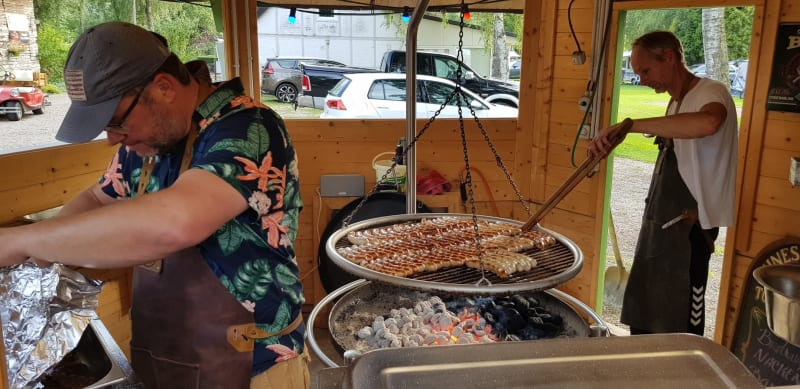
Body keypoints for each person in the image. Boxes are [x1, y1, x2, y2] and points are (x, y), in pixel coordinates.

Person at [0, 22, 308, 388]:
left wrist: (23, 240)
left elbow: (176, 221)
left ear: (163, 88)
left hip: (251, 368)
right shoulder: (146, 142)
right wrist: (35, 259)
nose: (113, 139)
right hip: (161, 360)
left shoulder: (247, 127)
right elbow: (97, 199)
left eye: (116, 122)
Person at [589, 31, 738, 336]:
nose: (642, 80)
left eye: (645, 70)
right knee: (646, 310)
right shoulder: (675, 103)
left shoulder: (712, 92)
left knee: (681, 323)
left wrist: (629, 125)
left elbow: (707, 123)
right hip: (660, 225)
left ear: (669, 57)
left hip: (690, 230)